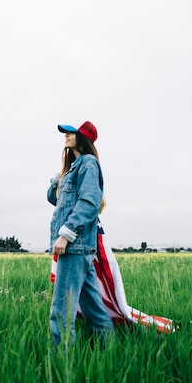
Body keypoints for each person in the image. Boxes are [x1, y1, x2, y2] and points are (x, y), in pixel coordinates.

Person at [47, 121, 114, 346]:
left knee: (61, 313)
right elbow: (54, 199)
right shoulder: (76, 167)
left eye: (70, 132)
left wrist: (65, 234)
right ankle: (110, 352)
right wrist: (60, 177)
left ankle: (62, 368)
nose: (66, 136)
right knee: (93, 309)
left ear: (82, 137)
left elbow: (89, 202)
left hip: (74, 246)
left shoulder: (88, 163)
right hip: (80, 247)